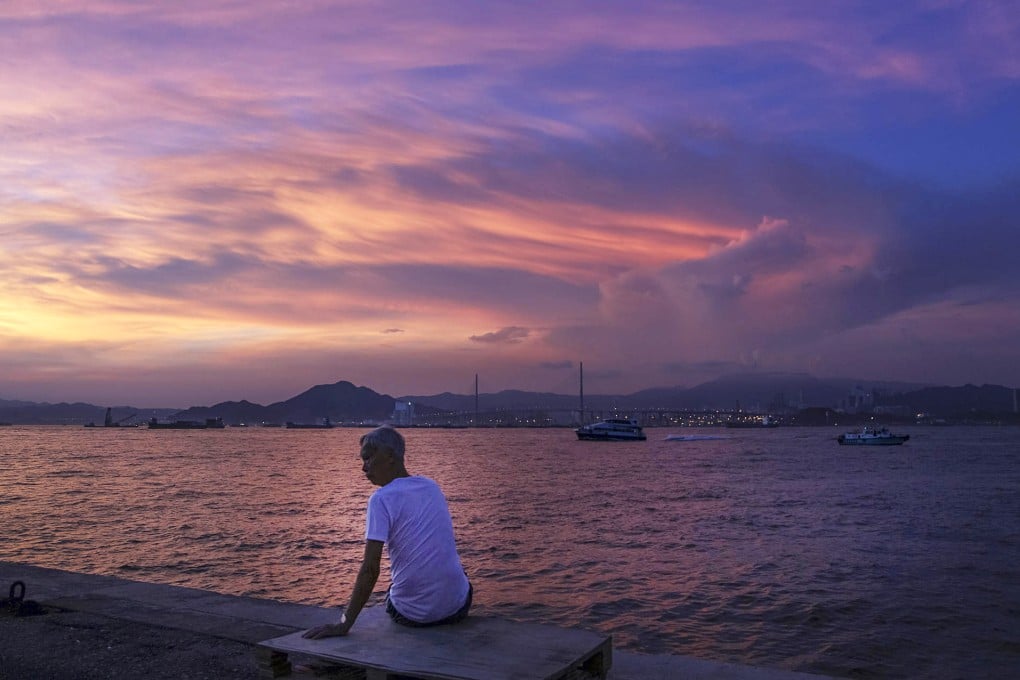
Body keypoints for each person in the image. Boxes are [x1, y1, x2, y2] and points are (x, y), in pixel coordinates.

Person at [303, 426, 471, 638]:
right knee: (460, 576)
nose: (364, 468)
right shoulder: (431, 486)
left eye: (368, 458)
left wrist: (343, 624)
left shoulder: (381, 499)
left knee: (392, 595)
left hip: (414, 616)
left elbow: (370, 569)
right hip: (458, 609)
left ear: (390, 456)